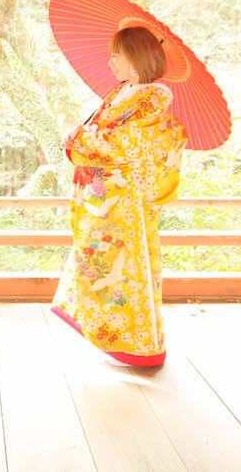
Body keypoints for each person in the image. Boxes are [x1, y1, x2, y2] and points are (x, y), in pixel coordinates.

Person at [52, 24, 187, 367]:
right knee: (100, 260)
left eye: (118, 56)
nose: (111, 63)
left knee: (126, 264)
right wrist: (83, 135)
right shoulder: (126, 91)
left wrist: (77, 142)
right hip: (107, 195)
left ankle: (138, 344)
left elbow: (121, 144)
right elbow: (104, 131)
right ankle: (109, 331)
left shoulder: (152, 99)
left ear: (136, 59)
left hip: (125, 200)